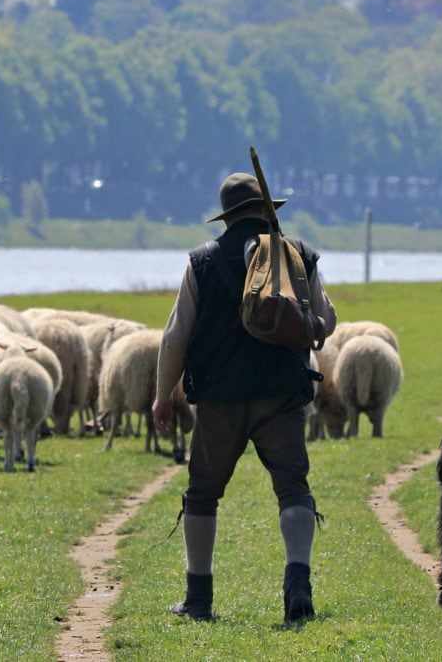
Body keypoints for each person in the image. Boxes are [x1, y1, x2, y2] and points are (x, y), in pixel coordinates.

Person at [153, 172, 336, 624]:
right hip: (282, 396)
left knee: (202, 495)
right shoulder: (298, 255)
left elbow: (176, 336)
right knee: (293, 488)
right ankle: (298, 585)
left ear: (228, 216)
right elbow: (327, 320)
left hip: (219, 399)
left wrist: (162, 396)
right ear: (268, 208)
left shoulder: (203, 262)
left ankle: (199, 599)